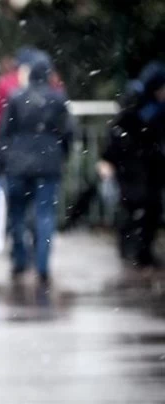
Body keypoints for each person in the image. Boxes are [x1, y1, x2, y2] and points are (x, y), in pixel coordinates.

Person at [0, 52, 73, 286]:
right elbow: (68, 132)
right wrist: (62, 155)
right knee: (45, 215)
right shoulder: (58, 99)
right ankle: (42, 265)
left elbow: (4, 133)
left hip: (18, 165)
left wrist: (0, 161)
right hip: (48, 165)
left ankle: (20, 261)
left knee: (17, 214)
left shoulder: (16, 97)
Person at [99, 62, 165, 268]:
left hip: (148, 166)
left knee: (149, 208)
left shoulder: (155, 107)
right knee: (132, 207)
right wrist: (110, 159)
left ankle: (142, 252)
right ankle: (132, 251)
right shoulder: (136, 103)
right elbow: (118, 132)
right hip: (132, 166)